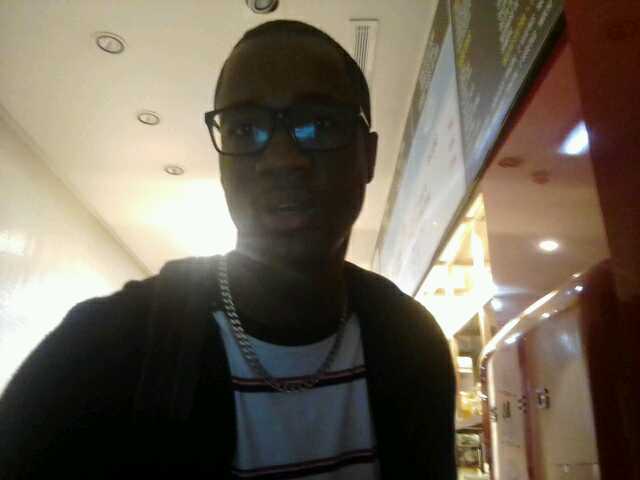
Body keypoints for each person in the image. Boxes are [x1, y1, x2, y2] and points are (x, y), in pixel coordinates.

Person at [0, 20, 455, 478]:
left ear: (368, 156)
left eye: (319, 124)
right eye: (244, 128)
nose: (282, 159)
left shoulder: (411, 343)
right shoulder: (105, 349)